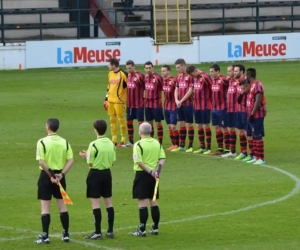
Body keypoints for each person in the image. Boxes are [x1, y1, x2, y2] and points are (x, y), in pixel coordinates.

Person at [34, 118, 74, 244]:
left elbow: (41, 161)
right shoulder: (65, 142)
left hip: (46, 177)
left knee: (45, 207)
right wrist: (61, 174)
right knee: (62, 205)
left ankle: (45, 236)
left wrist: (51, 175)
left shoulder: (42, 142)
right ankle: (66, 234)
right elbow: (71, 160)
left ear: (47, 127)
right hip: (60, 177)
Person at [79, 119, 116, 239]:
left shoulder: (93, 144)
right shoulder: (111, 143)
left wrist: (86, 156)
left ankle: (98, 232)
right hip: (107, 173)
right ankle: (110, 231)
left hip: (95, 174)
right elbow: (113, 161)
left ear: (95, 130)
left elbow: (90, 163)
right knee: (108, 202)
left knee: (95, 203)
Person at [130, 122, 166, 237]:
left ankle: (142, 229)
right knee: (153, 201)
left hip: (142, 175)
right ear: (151, 132)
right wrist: (157, 171)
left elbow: (139, 162)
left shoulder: (138, 144)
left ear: (140, 132)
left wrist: (150, 172)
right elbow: (162, 158)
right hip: (155, 176)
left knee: (142, 202)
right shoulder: (157, 143)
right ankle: (155, 228)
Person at [241, 68, 267, 165]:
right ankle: (256, 157)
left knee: (257, 135)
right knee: (253, 135)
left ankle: (261, 158)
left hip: (257, 114)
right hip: (251, 114)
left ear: (248, 76)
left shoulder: (257, 85)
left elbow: (258, 101)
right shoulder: (251, 85)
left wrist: (252, 113)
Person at [186, 65, 213, 154]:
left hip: (205, 105)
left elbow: (213, 88)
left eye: (192, 75)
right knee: (199, 126)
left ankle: (208, 148)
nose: (192, 77)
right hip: (196, 105)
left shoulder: (205, 77)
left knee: (206, 126)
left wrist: (210, 100)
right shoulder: (194, 78)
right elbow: (194, 89)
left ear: (194, 71)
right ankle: (202, 146)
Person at [104, 58, 128, 147]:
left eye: (109, 64)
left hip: (119, 102)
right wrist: (106, 99)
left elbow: (129, 86)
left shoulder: (123, 74)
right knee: (112, 120)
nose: (108, 66)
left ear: (114, 65)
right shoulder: (110, 73)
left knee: (121, 120)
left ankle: (123, 139)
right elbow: (108, 87)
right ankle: (114, 140)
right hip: (110, 101)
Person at [172, 58, 194, 152]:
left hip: (188, 103)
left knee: (189, 123)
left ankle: (190, 145)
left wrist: (181, 100)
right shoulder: (179, 76)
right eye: (176, 68)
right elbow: (176, 89)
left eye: (179, 67)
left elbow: (190, 90)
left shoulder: (190, 76)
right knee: (181, 123)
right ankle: (182, 145)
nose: (177, 69)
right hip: (179, 103)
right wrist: (177, 100)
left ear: (184, 65)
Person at [209, 64, 230, 155]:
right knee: (217, 127)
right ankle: (220, 148)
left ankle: (228, 149)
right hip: (214, 108)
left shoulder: (224, 80)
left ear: (218, 71)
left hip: (222, 108)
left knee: (224, 128)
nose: (211, 73)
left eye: (212, 72)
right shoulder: (212, 80)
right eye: (210, 72)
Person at [232, 65, 252, 161]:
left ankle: (252, 154)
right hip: (238, 110)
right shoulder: (236, 82)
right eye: (234, 71)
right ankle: (243, 152)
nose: (234, 73)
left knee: (248, 133)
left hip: (245, 111)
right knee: (240, 131)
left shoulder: (246, 82)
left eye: (236, 71)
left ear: (242, 72)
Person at [125, 60, 145, 146]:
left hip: (139, 104)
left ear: (134, 66)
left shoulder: (140, 76)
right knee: (129, 122)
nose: (128, 70)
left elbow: (146, 88)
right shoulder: (128, 76)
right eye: (127, 68)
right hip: (130, 104)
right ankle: (131, 141)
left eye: (130, 68)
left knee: (140, 123)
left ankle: (142, 141)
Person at [144, 61, 164, 144]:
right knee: (149, 123)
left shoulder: (158, 77)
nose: (148, 70)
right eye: (147, 68)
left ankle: (160, 142)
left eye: (150, 68)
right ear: (145, 69)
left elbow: (164, 88)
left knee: (158, 123)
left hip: (156, 104)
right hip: (148, 104)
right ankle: (151, 140)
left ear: (153, 68)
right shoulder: (145, 77)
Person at [161, 64, 179, 151]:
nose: (162, 72)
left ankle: (177, 144)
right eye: (161, 71)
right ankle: (173, 144)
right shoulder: (163, 81)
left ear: (168, 71)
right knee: (169, 126)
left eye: (164, 71)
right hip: (166, 106)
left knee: (173, 126)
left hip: (173, 107)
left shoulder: (174, 80)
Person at [221, 64, 238, 158]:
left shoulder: (239, 82)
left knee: (241, 131)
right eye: (228, 71)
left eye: (230, 71)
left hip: (237, 110)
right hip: (229, 109)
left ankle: (247, 153)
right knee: (230, 129)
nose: (228, 73)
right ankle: (233, 151)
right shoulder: (230, 81)